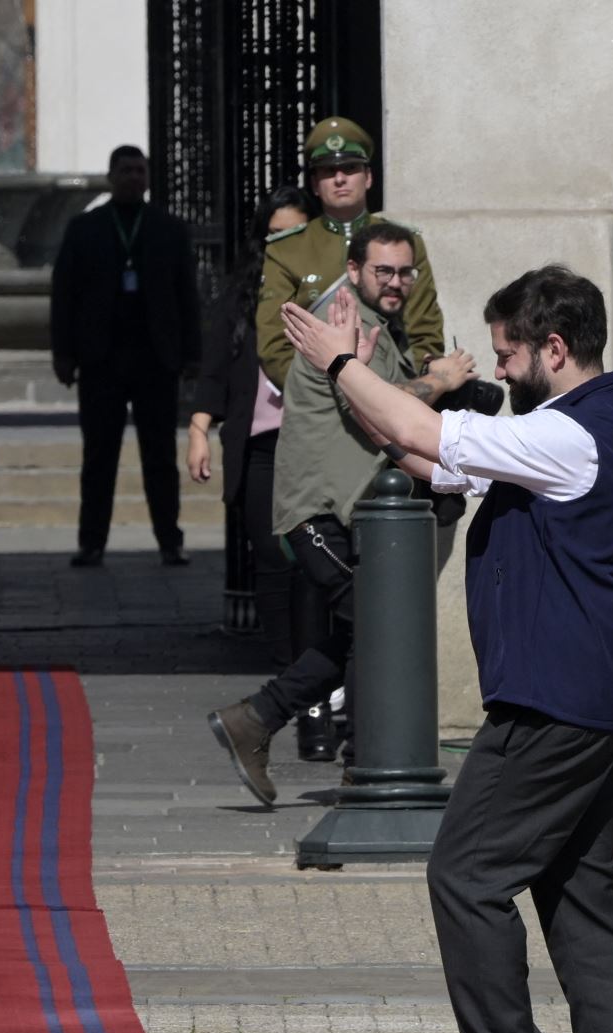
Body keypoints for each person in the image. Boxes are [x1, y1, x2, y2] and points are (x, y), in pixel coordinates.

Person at [281, 263, 613, 1033]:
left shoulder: (571, 437)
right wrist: (357, 387)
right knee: (581, 894)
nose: (499, 367)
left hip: (555, 706)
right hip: (590, 696)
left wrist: (342, 364)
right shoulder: (567, 430)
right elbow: (424, 453)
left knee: (465, 873)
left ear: (553, 349)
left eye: (508, 354)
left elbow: (426, 430)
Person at [206, 223, 476, 803]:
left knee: (368, 628)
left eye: (406, 271)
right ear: (354, 271)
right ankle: (364, 764)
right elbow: (385, 410)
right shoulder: (343, 325)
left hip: (341, 514)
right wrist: (444, 378)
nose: (398, 282)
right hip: (317, 516)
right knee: (380, 624)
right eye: (384, 270)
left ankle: (259, 721)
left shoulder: (375, 328)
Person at [186, 185, 317, 741]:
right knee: (272, 559)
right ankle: (291, 670)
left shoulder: (327, 294)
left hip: (312, 443)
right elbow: (214, 368)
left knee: (314, 564)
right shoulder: (241, 298)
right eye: (275, 236)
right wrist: (198, 430)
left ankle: (312, 680)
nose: (284, 245)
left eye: (296, 235)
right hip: (260, 444)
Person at [50, 144, 201, 567]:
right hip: (101, 359)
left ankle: (170, 540)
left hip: (155, 359)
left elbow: (187, 296)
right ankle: (91, 541)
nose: (134, 177)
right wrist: (63, 353)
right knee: (99, 456)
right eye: (126, 170)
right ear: (111, 176)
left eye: (140, 170)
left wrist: (192, 354)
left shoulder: (168, 229)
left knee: (160, 458)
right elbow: (63, 296)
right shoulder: (85, 228)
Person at [254, 117, 446, 396]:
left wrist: (396, 394)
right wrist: (320, 392)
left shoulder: (406, 242)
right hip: (319, 397)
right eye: (328, 171)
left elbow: (424, 331)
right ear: (315, 184)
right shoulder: (286, 250)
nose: (340, 178)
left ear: (368, 177)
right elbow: (275, 345)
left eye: (350, 168)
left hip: (396, 396)